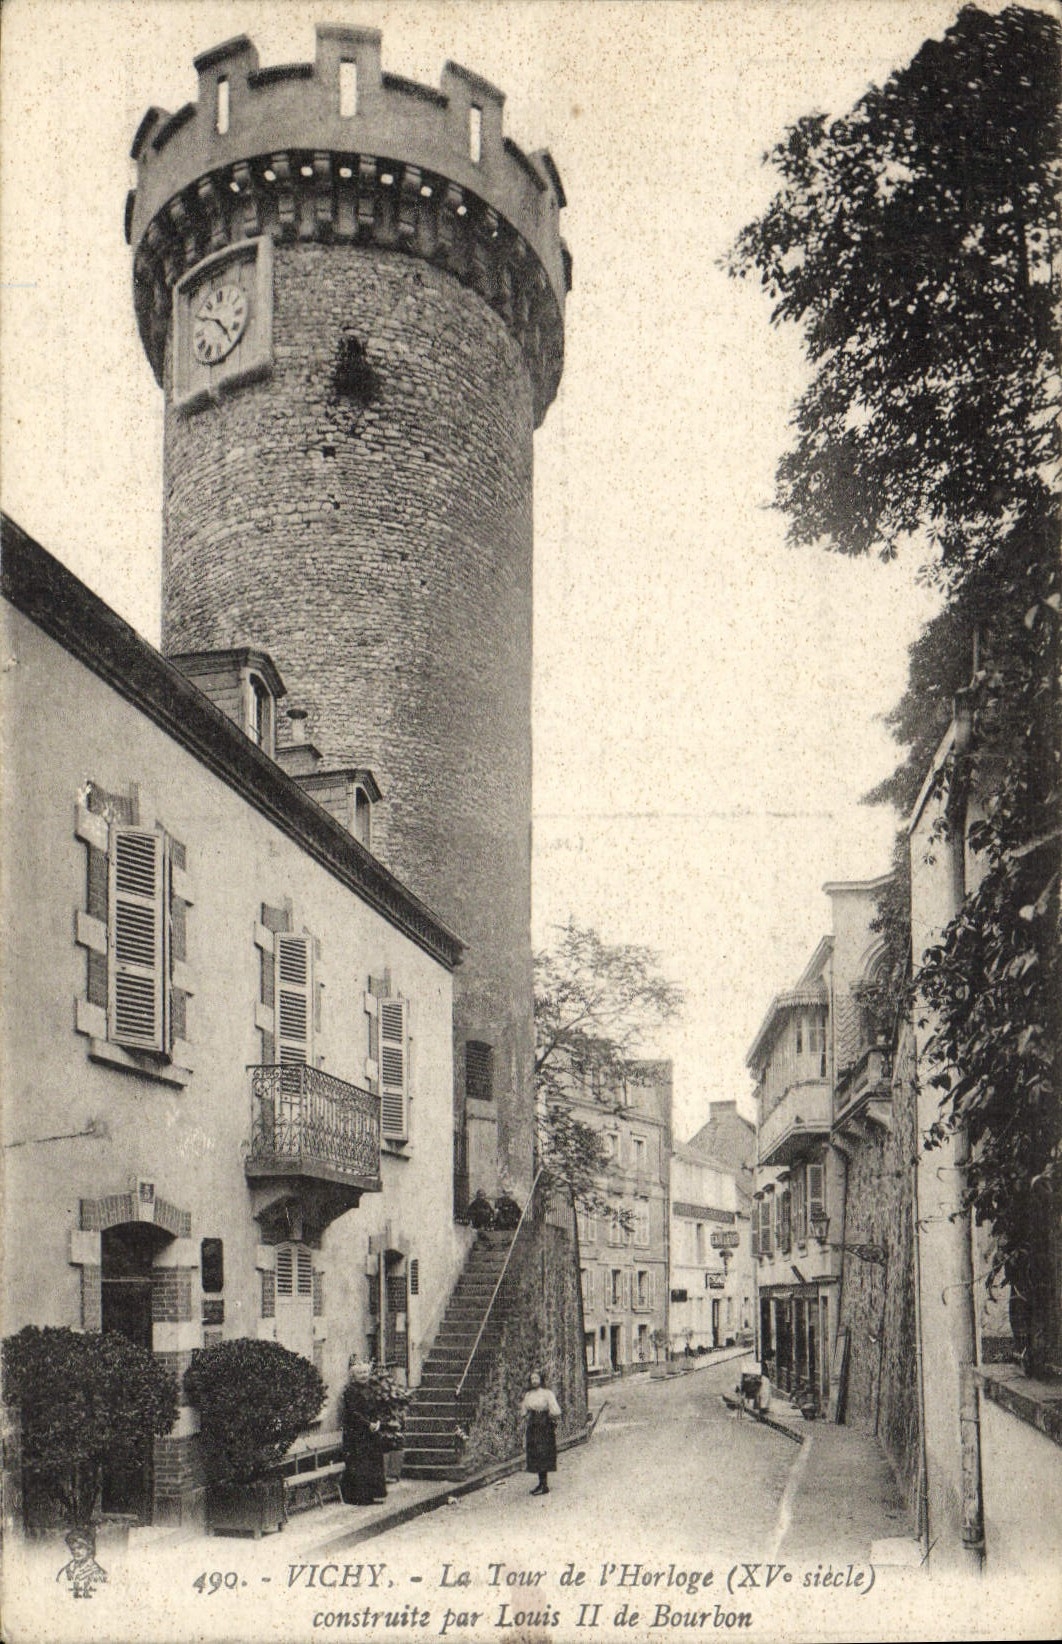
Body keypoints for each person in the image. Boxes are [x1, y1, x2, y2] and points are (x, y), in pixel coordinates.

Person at [520, 1369, 561, 1496]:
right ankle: (540, 1483)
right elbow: (524, 1411)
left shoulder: (547, 1393)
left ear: (541, 1379)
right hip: (533, 1425)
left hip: (544, 1425)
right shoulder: (528, 1395)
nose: (534, 1381)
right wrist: (526, 1419)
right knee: (535, 1453)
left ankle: (545, 1485)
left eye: (536, 1378)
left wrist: (549, 1418)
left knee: (543, 1452)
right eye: (532, 1379)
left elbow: (555, 1410)